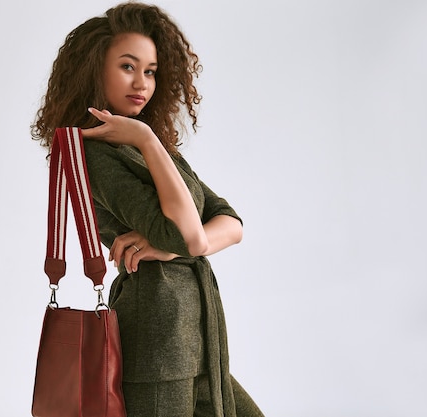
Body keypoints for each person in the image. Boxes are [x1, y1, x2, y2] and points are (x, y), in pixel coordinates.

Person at [32, 2, 265, 416]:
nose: (142, 82)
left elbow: (230, 221)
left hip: (203, 342)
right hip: (155, 343)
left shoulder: (156, 152)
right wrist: (146, 140)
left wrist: (169, 247)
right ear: (94, 69)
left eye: (151, 71)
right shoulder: (95, 155)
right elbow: (191, 234)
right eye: (127, 66)